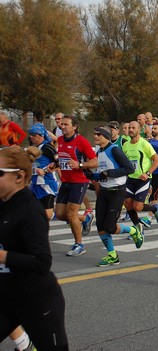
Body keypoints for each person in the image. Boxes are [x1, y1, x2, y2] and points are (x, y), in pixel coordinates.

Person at [0, 146, 69, 350]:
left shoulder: (29, 210)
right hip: (5, 298)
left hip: (38, 302)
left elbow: (42, 262)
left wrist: (3, 256)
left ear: (19, 177)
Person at [88, 126, 143, 266]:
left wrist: (109, 173)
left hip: (117, 192)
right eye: (94, 134)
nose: (95, 137)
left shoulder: (114, 150)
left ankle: (133, 231)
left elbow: (129, 168)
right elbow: (101, 173)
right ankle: (112, 255)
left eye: (98, 134)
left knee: (110, 227)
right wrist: (88, 175)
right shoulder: (99, 151)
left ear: (106, 136)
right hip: (104, 192)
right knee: (100, 226)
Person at [54, 115, 98, 256]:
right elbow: (62, 159)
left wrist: (80, 164)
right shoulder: (60, 140)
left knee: (71, 213)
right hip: (65, 181)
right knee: (60, 214)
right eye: (62, 124)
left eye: (66, 124)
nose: (63, 126)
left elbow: (95, 161)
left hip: (79, 181)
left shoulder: (81, 141)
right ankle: (86, 218)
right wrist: (53, 165)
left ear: (74, 127)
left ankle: (79, 245)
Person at [121, 121, 158, 231]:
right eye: (129, 127)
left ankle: (154, 208)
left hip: (142, 179)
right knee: (128, 203)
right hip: (130, 179)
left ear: (139, 130)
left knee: (138, 206)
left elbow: (157, 160)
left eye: (133, 128)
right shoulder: (125, 145)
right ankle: (137, 227)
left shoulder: (144, 144)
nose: (130, 130)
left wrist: (148, 173)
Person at [28, 123, 59, 220]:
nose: (31, 137)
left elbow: (59, 162)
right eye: (30, 134)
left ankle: (83, 218)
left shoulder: (48, 147)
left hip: (46, 184)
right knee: (31, 211)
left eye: (33, 134)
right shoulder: (33, 147)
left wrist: (45, 171)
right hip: (34, 185)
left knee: (47, 215)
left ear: (41, 135)